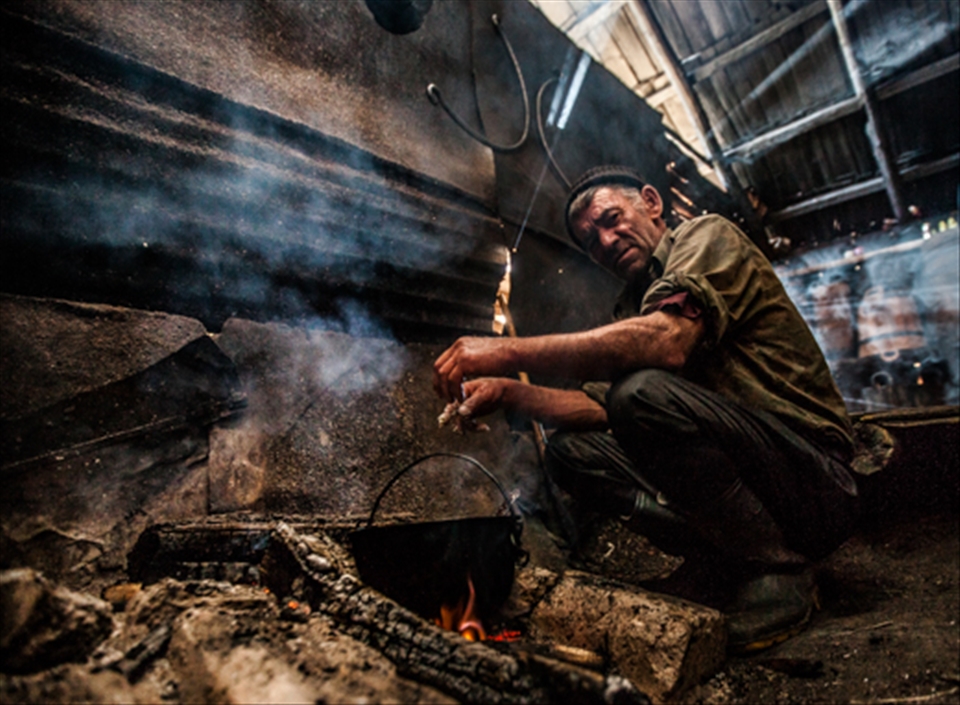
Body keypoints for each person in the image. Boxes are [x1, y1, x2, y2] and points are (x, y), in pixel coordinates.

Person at [432, 166, 859, 653]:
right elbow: (598, 407)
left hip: (811, 482)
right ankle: (718, 562)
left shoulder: (707, 236)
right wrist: (506, 392)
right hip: (756, 475)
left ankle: (778, 569)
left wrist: (505, 350)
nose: (607, 241)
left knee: (639, 395)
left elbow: (669, 342)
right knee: (571, 453)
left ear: (652, 203)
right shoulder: (632, 305)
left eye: (612, 219)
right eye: (592, 241)